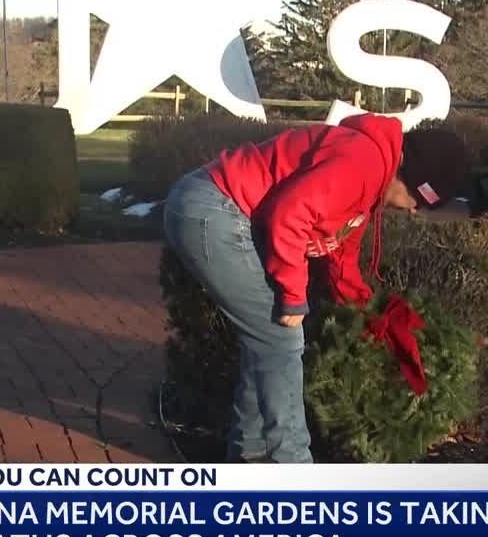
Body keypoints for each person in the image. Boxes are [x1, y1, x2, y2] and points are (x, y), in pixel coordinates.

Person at [162, 113, 471, 463]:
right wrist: (293, 297)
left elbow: (342, 251)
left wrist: (360, 304)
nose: (414, 212)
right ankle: (294, 470)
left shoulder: (369, 173)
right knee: (281, 337)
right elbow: (289, 215)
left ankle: (248, 453)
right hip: (213, 209)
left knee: (264, 340)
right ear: (414, 180)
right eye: (420, 202)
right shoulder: (363, 163)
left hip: (214, 207)